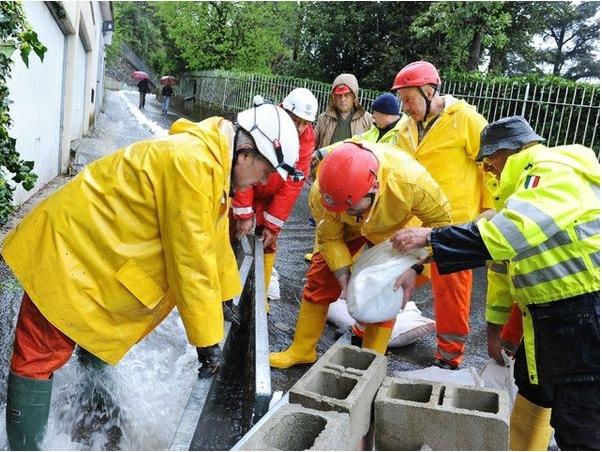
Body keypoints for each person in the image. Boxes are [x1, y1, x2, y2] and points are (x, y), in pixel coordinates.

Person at [1, 101, 300, 450]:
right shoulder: (193, 163)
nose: (264, 182)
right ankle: (26, 446)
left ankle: (95, 408)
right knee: (38, 354)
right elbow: (191, 259)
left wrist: (224, 295)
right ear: (246, 152)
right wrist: (206, 342)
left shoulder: (212, 162)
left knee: (95, 340)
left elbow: (213, 237)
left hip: (94, 249)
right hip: (67, 249)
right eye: (265, 172)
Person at [391, 116, 600, 451]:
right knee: (533, 392)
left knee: (577, 416)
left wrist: (431, 235)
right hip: (547, 317)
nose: (487, 171)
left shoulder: (554, 172)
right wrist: (494, 327)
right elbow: (500, 264)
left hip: (584, 315)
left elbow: (504, 235)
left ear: (510, 152)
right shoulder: (522, 192)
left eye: (490, 162)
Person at [269, 141, 452, 369]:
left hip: (396, 228)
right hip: (344, 230)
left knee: (386, 290)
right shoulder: (323, 193)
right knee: (320, 278)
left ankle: (370, 361)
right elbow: (329, 236)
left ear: (373, 187)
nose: (346, 212)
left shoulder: (411, 183)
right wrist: (343, 276)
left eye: (352, 207)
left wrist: (413, 265)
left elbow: (443, 229)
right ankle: (302, 349)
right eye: (341, 208)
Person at [391, 60, 493, 370]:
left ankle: (449, 357)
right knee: (393, 274)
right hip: (416, 220)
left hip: (454, 222)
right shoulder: (405, 127)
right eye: (402, 100)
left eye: (409, 99)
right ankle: (368, 329)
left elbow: (491, 164)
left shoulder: (466, 120)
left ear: (429, 90)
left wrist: (489, 208)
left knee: (451, 292)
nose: (405, 106)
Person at [232, 88, 318, 312]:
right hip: (248, 184)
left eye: (305, 123)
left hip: (271, 197)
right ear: (284, 108)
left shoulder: (307, 139)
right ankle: (226, 291)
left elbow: (293, 184)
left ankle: (259, 300)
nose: (299, 128)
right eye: (295, 120)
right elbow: (243, 169)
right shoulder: (267, 121)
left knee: (268, 244)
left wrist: (272, 223)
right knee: (231, 234)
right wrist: (243, 212)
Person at [314, 73, 373, 151]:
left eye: (347, 95)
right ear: (334, 97)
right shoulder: (323, 118)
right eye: (339, 95)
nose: (342, 99)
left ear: (354, 96)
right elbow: (312, 144)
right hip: (327, 162)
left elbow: (373, 149)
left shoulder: (368, 120)